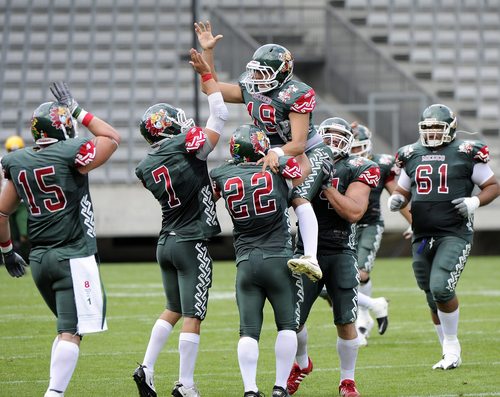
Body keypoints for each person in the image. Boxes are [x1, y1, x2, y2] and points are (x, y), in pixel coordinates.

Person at [0, 81, 121, 397]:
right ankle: (54, 393)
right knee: (73, 329)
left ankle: (54, 391)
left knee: (68, 328)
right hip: (73, 257)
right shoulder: (71, 152)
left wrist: (7, 250)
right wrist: (78, 109)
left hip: (40, 260)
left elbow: (1, 213)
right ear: (63, 126)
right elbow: (111, 138)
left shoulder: (19, 160)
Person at [132, 48, 229, 397]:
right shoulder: (187, 145)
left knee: (172, 308)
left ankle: (146, 367)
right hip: (191, 241)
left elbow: (188, 184)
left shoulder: (145, 167)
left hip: (166, 241)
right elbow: (218, 115)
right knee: (192, 314)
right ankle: (185, 383)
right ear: (169, 127)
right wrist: (207, 74)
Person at [195, 21, 322, 282]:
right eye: (256, 72)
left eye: (264, 73)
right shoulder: (251, 86)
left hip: (304, 150)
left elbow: (298, 143)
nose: (257, 78)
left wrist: (276, 152)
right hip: (266, 149)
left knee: (298, 195)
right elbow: (211, 88)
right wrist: (208, 52)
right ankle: (198, 228)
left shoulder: (294, 94)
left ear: (282, 73)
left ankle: (311, 256)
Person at [388, 103, 500, 370]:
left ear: (451, 128)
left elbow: (493, 186)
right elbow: (403, 190)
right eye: (428, 128)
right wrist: (397, 199)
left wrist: (475, 202)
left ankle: (452, 346)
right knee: (430, 293)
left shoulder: (465, 152)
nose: (433, 133)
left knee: (441, 287)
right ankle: (447, 351)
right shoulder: (410, 153)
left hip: (454, 232)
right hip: (422, 234)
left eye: (438, 128)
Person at [287, 117, 380, 397]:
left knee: (345, 320)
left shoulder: (359, 166)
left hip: (340, 250)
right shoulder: (305, 160)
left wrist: (325, 183)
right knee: (293, 321)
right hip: (305, 251)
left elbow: (353, 212)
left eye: (340, 137)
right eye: (328, 136)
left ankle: (347, 381)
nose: (333, 143)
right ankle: (302, 364)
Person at [210, 124, 303, 397]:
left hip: (246, 261)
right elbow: (301, 184)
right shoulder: (279, 166)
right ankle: (279, 387)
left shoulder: (222, 174)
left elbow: (211, 196)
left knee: (248, 330)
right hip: (278, 258)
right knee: (287, 326)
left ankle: (250, 389)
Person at [349, 123, 412, 346]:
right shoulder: (339, 163)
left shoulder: (381, 164)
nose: (356, 153)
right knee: (335, 280)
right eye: (353, 148)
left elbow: (397, 196)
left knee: (360, 273)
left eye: (360, 148)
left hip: (369, 224)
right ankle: (368, 311)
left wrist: (415, 223)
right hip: (343, 228)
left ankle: (362, 318)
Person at [3, 135, 30, 262]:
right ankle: (14, 258)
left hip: (23, 202)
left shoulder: (27, 160)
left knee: (25, 234)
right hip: (6, 202)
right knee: (10, 234)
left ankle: (27, 258)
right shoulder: (3, 162)